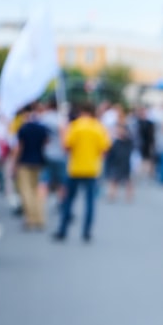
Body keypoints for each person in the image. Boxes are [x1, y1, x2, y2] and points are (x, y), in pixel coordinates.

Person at [52, 103, 111, 243]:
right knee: (90, 202)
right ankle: (86, 232)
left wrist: (62, 133)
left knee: (68, 201)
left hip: (75, 168)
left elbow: (66, 147)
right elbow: (104, 149)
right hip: (92, 169)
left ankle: (63, 230)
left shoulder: (75, 126)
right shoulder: (98, 127)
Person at [12, 104, 50, 230]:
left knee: (26, 191)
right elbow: (46, 143)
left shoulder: (24, 128)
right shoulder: (41, 128)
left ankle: (30, 218)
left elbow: (19, 148)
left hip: (25, 162)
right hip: (38, 161)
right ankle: (39, 217)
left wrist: (14, 163)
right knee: (37, 190)